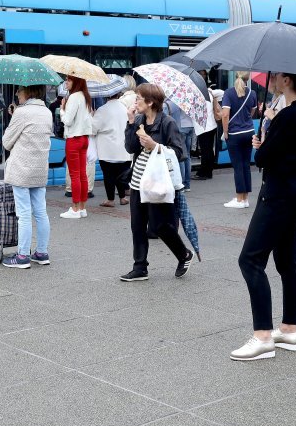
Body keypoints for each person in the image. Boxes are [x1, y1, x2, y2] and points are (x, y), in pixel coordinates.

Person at [230, 73, 296, 361]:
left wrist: (266, 135)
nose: (270, 79)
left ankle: (263, 336)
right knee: (287, 261)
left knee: (250, 259)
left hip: (278, 193)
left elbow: (263, 158)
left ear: (284, 80)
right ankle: (290, 329)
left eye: (275, 75)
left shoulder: (288, 115)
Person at [120, 83, 193, 282]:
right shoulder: (140, 120)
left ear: (150, 102)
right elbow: (130, 147)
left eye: (139, 98)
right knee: (137, 226)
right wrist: (131, 122)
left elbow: (179, 153)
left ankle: (184, 254)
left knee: (160, 226)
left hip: (157, 183)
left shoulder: (167, 122)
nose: (135, 101)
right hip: (138, 182)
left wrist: (155, 146)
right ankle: (140, 267)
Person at [1, 85, 53, 268]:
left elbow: (7, 142)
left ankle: (22, 256)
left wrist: (14, 117)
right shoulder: (47, 112)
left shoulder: (21, 113)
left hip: (22, 171)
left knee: (23, 214)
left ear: (28, 92)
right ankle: (41, 252)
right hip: (39, 170)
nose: (16, 93)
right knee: (40, 212)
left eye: (19, 90)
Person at [221, 72, 257, 209]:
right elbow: (252, 112)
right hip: (249, 132)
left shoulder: (229, 93)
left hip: (234, 134)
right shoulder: (252, 93)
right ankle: (245, 198)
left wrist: (225, 132)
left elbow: (225, 115)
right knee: (246, 165)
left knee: (238, 167)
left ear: (236, 76)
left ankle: (239, 199)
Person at [60, 75, 94, 218]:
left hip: (74, 139)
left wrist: (62, 109)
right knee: (82, 174)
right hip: (84, 139)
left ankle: (74, 209)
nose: (66, 82)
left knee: (74, 175)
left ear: (76, 82)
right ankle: (82, 207)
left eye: (69, 80)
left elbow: (67, 120)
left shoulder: (74, 97)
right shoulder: (85, 97)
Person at [92, 87, 131, 207]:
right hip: (124, 148)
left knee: (109, 175)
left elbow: (93, 128)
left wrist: (93, 116)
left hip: (107, 149)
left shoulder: (102, 110)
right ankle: (123, 197)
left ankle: (110, 199)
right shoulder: (125, 108)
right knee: (121, 175)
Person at [193, 75, 219, 181]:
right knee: (209, 149)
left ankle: (204, 172)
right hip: (212, 125)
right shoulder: (209, 92)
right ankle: (209, 171)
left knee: (205, 150)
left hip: (203, 127)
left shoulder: (197, 95)